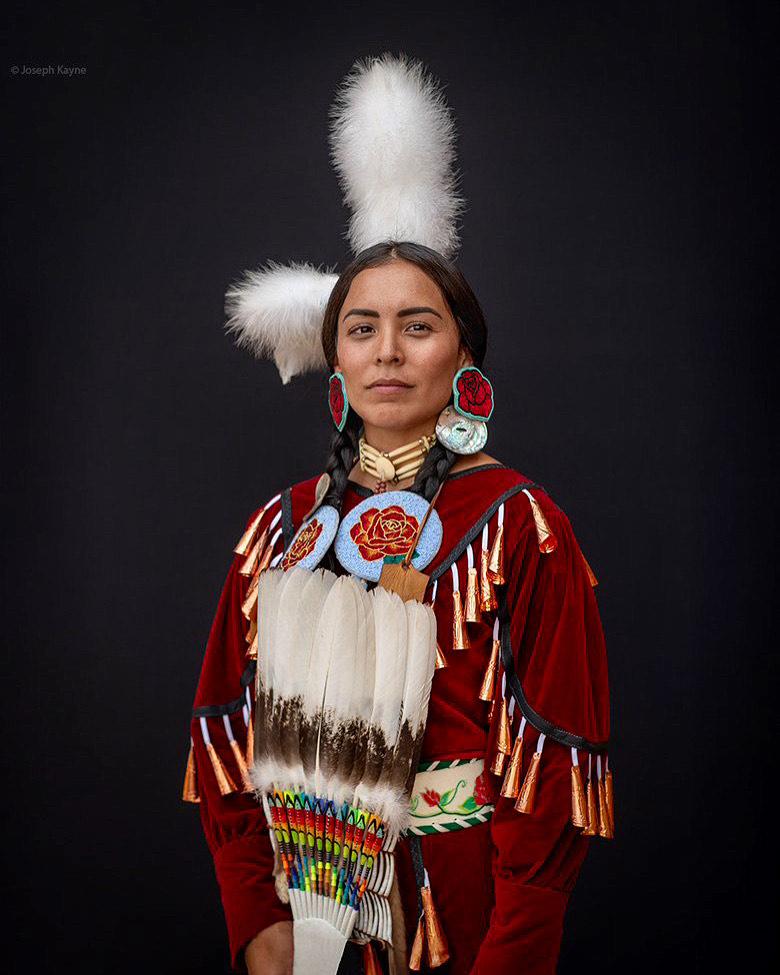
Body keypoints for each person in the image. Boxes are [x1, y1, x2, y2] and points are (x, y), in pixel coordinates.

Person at [182, 56, 612, 975]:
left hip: (463, 913)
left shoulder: (520, 524)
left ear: (465, 357)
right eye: (362, 328)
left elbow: (551, 778)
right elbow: (225, 724)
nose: (388, 352)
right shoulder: (282, 527)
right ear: (335, 361)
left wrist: (512, 952)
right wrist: (259, 921)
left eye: (418, 325)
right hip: (305, 915)